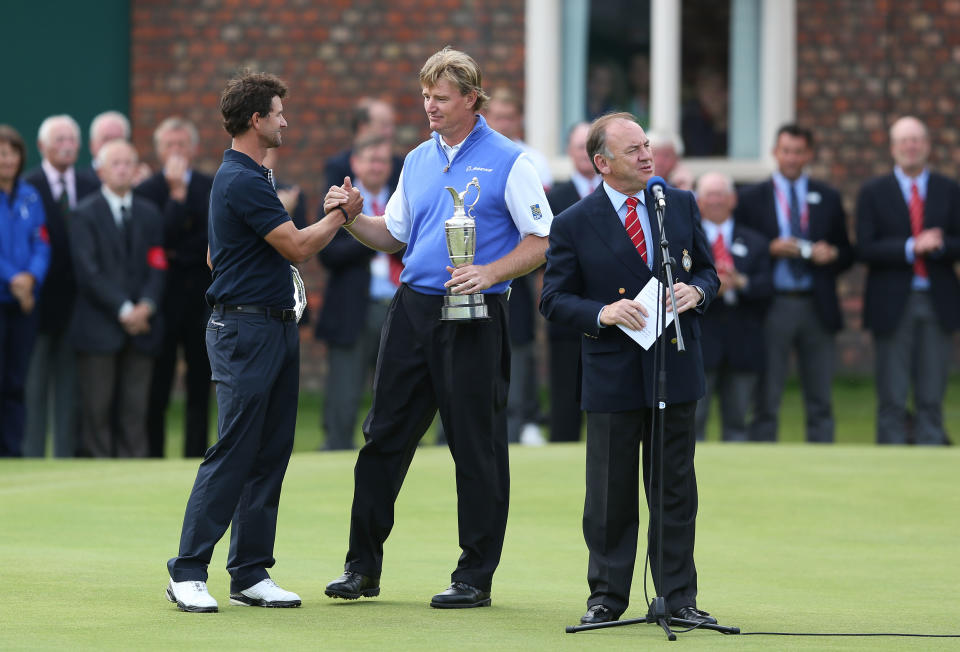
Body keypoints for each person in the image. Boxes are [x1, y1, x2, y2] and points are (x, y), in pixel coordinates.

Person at [323, 47, 552, 609]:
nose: (429, 106)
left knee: (475, 446)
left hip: (476, 315)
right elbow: (393, 235)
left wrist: (490, 272)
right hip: (413, 311)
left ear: (473, 99)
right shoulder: (418, 159)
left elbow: (542, 241)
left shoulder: (511, 160)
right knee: (383, 439)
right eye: (425, 95)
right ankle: (361, 568)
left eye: (441, 97)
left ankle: (474, 575)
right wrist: (353, 217)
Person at [166, 71, 358, 613]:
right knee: (234, 449)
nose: (284, 120)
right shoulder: (244, 178)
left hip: (273, 325)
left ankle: (250, 571)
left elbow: (215, 256)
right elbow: (297, 247)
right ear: (256, 119)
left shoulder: (250, 177)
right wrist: (341, 215)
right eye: (278, 112)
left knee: (271, 450)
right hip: (244, 331)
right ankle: (187, 570)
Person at [539, 112, 719, 626]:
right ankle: (607, 597)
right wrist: (603, 312)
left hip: (675, 367)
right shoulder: (573, 221)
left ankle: (679, 597)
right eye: (634, 149)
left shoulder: (677, 204)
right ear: (602, 163)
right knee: (610, 493)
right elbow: (553, 299)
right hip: (613, 372)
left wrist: (698, 291)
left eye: (647, 145)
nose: (648, 154)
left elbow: (707, 271)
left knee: (675, 489)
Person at [735, 124, 853, 443]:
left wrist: (832, 254)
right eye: (786, 151)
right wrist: (769, 249)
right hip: (773, 303)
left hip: (816, 302)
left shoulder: (827, 196)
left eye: (798, 151)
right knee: (767, 391)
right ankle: (762, 455)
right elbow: (741, 249)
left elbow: (848, 252)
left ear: (809, 154)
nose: (791, 158)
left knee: (820, 392)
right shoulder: (751, 197)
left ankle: (822, 455)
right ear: (775, 153)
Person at [856, 116, 960, 445]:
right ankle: (891, 462)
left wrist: (940, 244)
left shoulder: (949, 189)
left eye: (916, 140)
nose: (911, 146)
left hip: (937, 299)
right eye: (904, 141)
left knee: (932, 394)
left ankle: (930, 462)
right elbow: (864, 247)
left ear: (927, 146)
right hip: (891, 303)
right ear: (893, 148)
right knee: (892, 395)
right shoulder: (873, 192)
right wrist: (910, 247)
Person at [69, 140, 166, 458]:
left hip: (142, 328)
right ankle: (97, 471)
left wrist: (146, 306)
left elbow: (158, 264)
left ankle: (133, 472)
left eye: (128, 163)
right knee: (97, 411)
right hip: (99, 328)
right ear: (100, 171)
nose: (123, 169)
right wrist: (124, 309)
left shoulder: (150, 214)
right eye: (116, 163)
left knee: (135, 410)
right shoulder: (84, 214)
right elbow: (89, 272)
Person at [315, 135, 400, 450]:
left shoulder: (401, 201)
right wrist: (373, 238)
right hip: (353, 307)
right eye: (370, 160)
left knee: (396, 386)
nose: (377, 167)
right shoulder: (339, 200)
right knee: (344, 389)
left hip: (398, 303)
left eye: (383, 161)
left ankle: (394, 449)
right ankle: (336, 447)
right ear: (355, 164)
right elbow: (327, 254)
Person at [135, 117, 213, 458]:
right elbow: (155, 239)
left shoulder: (211, 187)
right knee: (158, 385)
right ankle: (153, 455)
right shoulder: (148, 190)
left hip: (200, 299)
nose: (177, 152)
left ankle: (196, 455)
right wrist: (176, 199)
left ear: (194, 149)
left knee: (200, 384)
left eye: (182, 145)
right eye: (170, 145)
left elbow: (209, 240)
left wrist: (177, 250)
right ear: (158, 150)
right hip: (162, 302)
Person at [22, 115, 100, 458]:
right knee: (34, 389)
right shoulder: (27, 187)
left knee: (70, 393)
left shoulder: (90, 185)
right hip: (35, 308)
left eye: (72, 138)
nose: (67, 145)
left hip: (79, 309)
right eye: (58, 139)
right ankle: (31, 457)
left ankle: (65, 459)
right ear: (41, 146)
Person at [693, 172, 772, 442]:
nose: (715, 201)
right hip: (701, 342)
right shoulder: (685, 241)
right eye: (709, 195)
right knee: (695, 419)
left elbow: (767, 287)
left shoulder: (756, 241)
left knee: (739, 420)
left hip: (744, 341)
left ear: (733, 199)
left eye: (720, 194)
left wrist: (740, 282)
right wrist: (708, 288)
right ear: (699, 201)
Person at [543, 122, 598, 443]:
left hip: (614, 312)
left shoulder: (619, 195)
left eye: (591, 146)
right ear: (569, 151)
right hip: (567, 314)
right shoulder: (555, 198)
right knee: (565, 396)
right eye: (580, 146)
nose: (585, 153)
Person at [0, 125, 50, 457]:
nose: (6, 159)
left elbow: (42, 243)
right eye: (1, 153)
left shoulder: (31, 195)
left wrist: (31, 279)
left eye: (12, 152)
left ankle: (12, 451)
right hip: (6, 296)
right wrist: (14, 279)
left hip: (24, 304)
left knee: (17, 381)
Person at [325, 97, 403, 192]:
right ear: (363, 127)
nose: (390, 132)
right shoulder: (338, 167)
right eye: (384, 125)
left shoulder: (400, 165)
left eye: (382, 161)